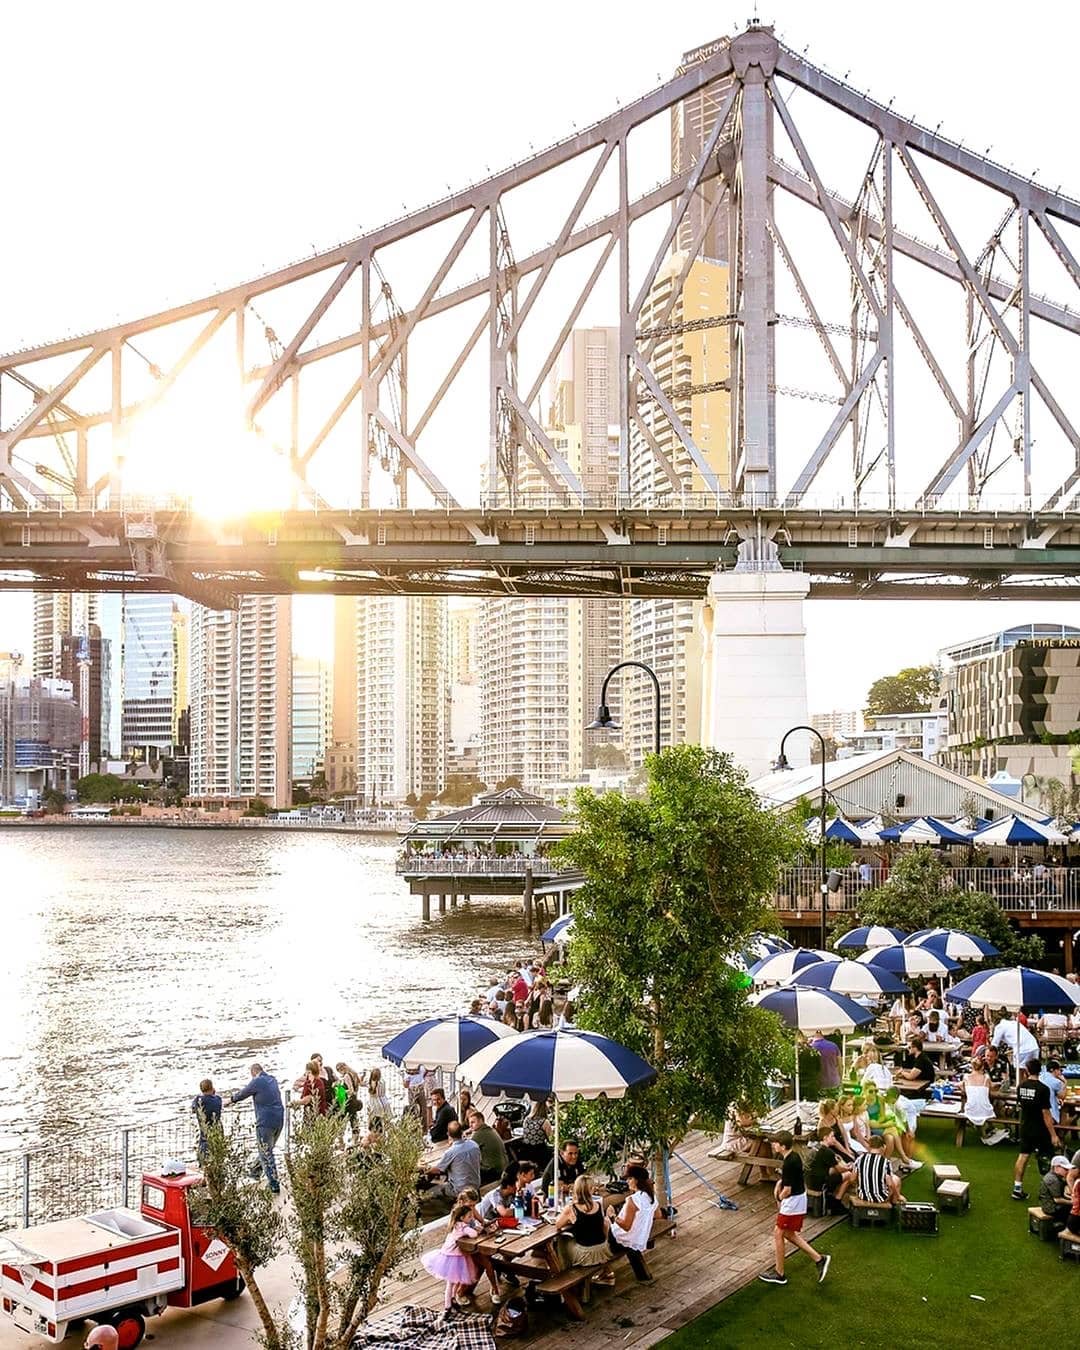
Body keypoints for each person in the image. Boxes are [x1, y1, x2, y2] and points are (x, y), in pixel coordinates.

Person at [758, 1133, 831, 1287]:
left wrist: (778, 1198)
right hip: (798, 1199)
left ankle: (779, 1273)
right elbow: (790, 1180)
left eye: (775, 1143)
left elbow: (788, 1190)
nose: (773, 1145)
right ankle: (819, 1259)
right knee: (788, 1234)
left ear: (783, 1146)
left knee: (778, 1233)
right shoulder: (794, 1157)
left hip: (793, 1202)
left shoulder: (788, 1163)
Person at [229, 1063, 284, 1194]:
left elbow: (243, 1093)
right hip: (279, 1119)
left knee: (266, 1152)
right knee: (267, 1149)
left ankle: (274, 1184)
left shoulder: (257, 1081)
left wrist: (231, 1100)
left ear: (253, 1072)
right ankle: (255, 1171)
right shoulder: (272, 1079)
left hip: (265, 1122)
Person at [1012, 1059, 1062, 1200]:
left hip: (1025, 1126)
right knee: (1046, 1158)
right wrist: (1053, 1134)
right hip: (1040, 1128)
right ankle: (1047, 1190)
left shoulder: (1020, 1087)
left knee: (1023, 1156)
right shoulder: (1043, 1089)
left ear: (1027, 1071)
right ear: (1040, 1071)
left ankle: (1017, 1188)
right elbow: (1046, 1113)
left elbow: (1021, 1105)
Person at [421, 1197, 482, 1310]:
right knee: (450, 1283)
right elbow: (473, 1234)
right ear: (462, 1218)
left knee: (455, 1281)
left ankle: (453, 1300)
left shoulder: (457, 1224)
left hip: (452, 1255)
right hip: (452, 1258)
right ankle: (447, 1306)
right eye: (469, 1217)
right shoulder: (462, 1226)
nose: (471, 1218)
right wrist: (475, 1230)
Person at [603, 1164, 657, 1283]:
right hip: (640, 1237)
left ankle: (605, 1269)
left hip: (623, 1240)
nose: (627, 1181)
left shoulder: (633, 1200)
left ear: (636, 1180)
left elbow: (626, 1226)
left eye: (630, 1178)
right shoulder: (651, 1197)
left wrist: (612, 1216)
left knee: (603, 1222)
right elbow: (657, 1215)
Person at [555, 1174, 612, 1274]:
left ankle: (564, 1269)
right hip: (603, 1250)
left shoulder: (572, 1208)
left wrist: (567, 1218)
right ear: (591, 1190)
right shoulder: (598, 1205)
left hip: (585, 1255)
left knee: (562, 1238)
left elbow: (558, 1225)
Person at [835, 1134, 902, 1207]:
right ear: (883, 1147)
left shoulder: (860, 1159)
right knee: (896, 1180)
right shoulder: (885, 1162)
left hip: (862, 1196)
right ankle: (894, 1205)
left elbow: (852, 1179)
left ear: (869, 1146)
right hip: (881, 1198)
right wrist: (897, 1195)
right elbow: (890, 1184)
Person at [426, 1120, 482, 1200]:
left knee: (430, 1192)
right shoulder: (474, 1145)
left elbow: (437, 1170)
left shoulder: (451, 1152)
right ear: (462, 1132)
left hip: (459, 1190)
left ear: (448, 1134)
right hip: (475, 1186)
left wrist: (425, 1170)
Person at [963, 1058, 1006, 1145]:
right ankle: (987, 1133)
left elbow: (962, 1087)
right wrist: (1000, 1083)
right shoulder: (986, 1077)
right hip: (986, 1111)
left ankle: (985, 1133)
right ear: (982, 1067)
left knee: (977, 1105)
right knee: (989, 1104)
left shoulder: (966, 1077)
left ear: (972, 1066)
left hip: (970, 1111)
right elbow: (992, 1086)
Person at [466, 1108, 508, 1182]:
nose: (470, 1125)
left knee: (467, 1167)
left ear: (481, 1121)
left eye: (473, 1122)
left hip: (494, 1171)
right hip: (503, 1167)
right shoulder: (490, 1130)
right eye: (470, 1123)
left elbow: (466, 1149)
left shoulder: (479, 1134)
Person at [192, 1078, 222, 1161]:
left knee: (204, 1153)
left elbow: (193, 1108)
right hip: (218, 1129)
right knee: (217, 1153)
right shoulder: (218, 1099)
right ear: (212, 1087)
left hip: (205, 1131)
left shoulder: (199, 1100)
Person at [1038, 1155, 1073, 1225]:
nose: (1068, 1171)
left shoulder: (1054, 1176)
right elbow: (1057, 1199)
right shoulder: (1053, 1179)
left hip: (1049, 1204)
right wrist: (1072, 1202)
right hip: (1051, 1208)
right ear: (1056, 1168)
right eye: (1065, 1169)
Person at [334, 1062, 363, 1141]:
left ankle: (341, 1138)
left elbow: (351, 1090)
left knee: (344, 1118)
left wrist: (341, 1090)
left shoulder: (347, 1076)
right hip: (354, 1098)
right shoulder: (354, 1073)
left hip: (349, 1100)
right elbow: (358, 1086)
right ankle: (355, 1138)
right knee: (353, 1118)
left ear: (341, 1069)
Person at [1040, 1059, 1067, 1127]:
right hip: (1050, 1115)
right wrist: (1065, 1082)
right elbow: (1062, 1096)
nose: (1060, 1073)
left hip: (1037, 1113)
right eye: (1059, 1070)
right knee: (1065, 1112)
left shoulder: (1040, 1077)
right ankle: (1061, 1131)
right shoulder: (1056, 1082)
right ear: (1053, 1070)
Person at [366, 1066, 390, 1133]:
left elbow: (362, 1083)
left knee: (375, 1122)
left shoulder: (372, 1083)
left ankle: (377, 1135)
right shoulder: (382, 1081)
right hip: (384, 1101)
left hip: (375, 1103)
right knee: (385, 1122)